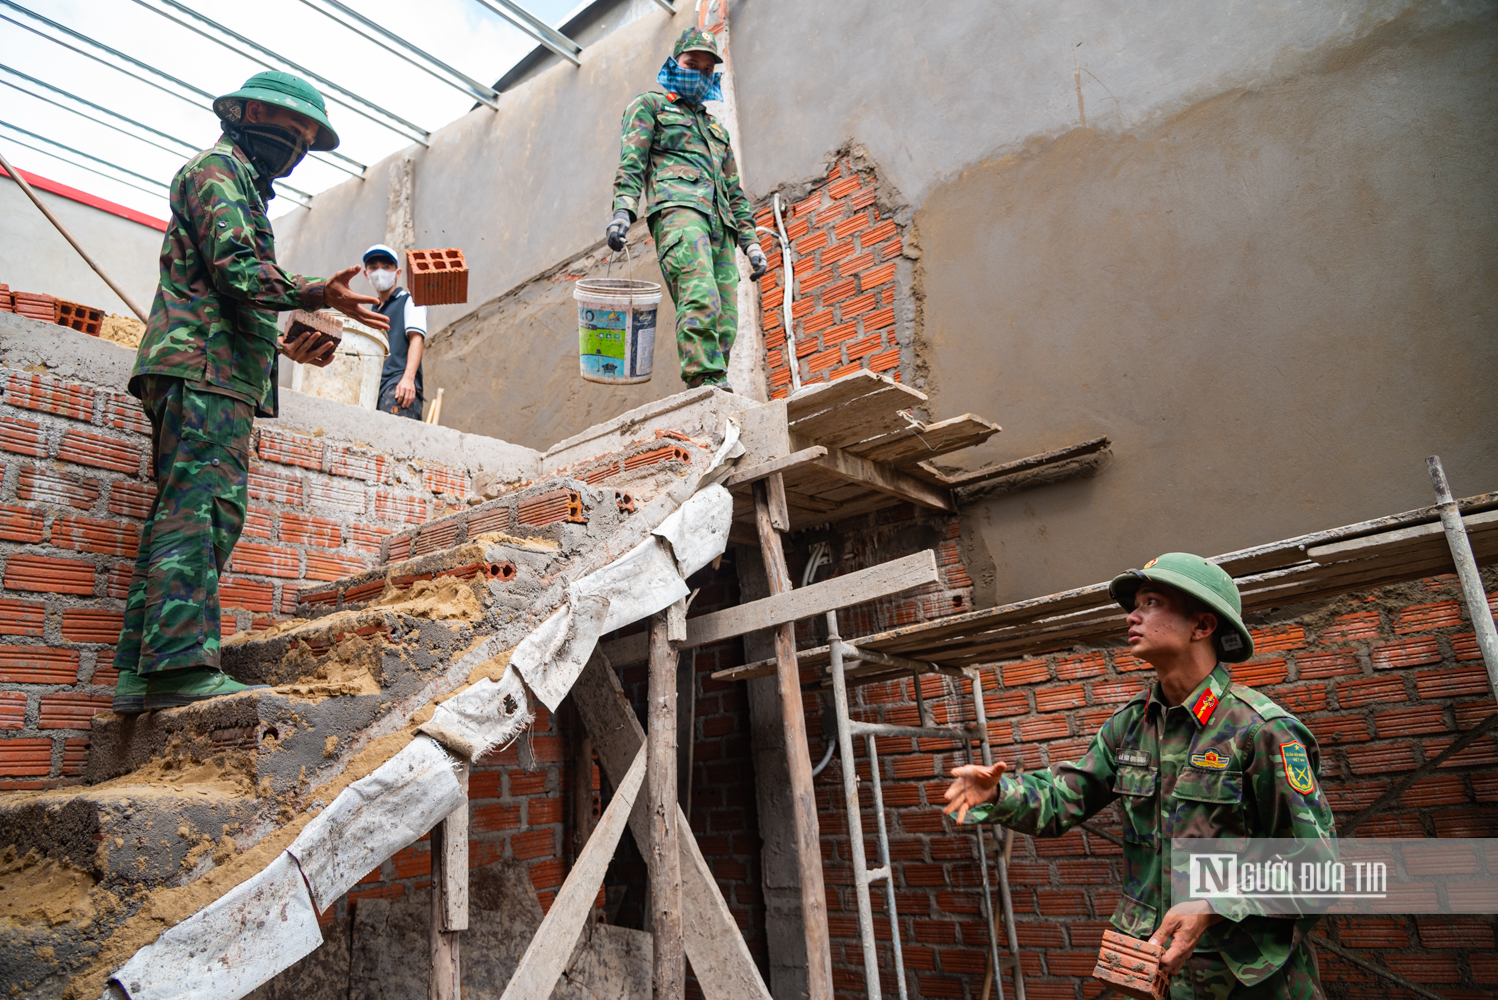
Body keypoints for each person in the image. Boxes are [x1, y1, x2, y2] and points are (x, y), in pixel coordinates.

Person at [113, 71, 389, 714]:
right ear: (240, 113)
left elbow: (222, 287)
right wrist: (319, 291)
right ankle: (180, 669)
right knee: (204, 511)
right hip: (202, 369)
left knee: (180, 513)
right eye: (285, 128)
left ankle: (141, 670)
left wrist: (281, 344)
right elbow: (238, 269)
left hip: (210, 364)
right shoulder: (219, 170)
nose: (292, 145)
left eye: (304, 138)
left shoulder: (238, 182)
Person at [943, 553, 1335, 1000]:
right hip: (1151, 975)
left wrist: (1215, 905)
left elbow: (1318, 868)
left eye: (1151, 602)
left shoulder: (1261, 730)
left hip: (1245, 982)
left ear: (1202, 626)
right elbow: (1061, 799)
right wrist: (1000, 793)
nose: (1132, 615)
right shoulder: (1130, 725)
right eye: (1135, 604)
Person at [607, 27, 769, 391]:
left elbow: (734, 191)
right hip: (679, 212)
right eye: (691, 64)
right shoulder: (649, 105)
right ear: (674, 64)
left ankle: (716, 383)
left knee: (727, 318)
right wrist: (623, 211)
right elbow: (632, 161)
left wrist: (752, 242)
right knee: (700, 297)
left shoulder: (716, 130)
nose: (699, 74)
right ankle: (704, 381)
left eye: (707, 70)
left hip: (721, 225)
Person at [363, 243, 429, 419]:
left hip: (398, 388)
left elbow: (417, 339)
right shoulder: (372, 313)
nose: (380, 272)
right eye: (373, 267)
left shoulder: (411, 300)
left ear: (397, 272)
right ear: (366, 274)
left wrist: (408, 379)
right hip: (374, 392)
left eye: (386, 267)